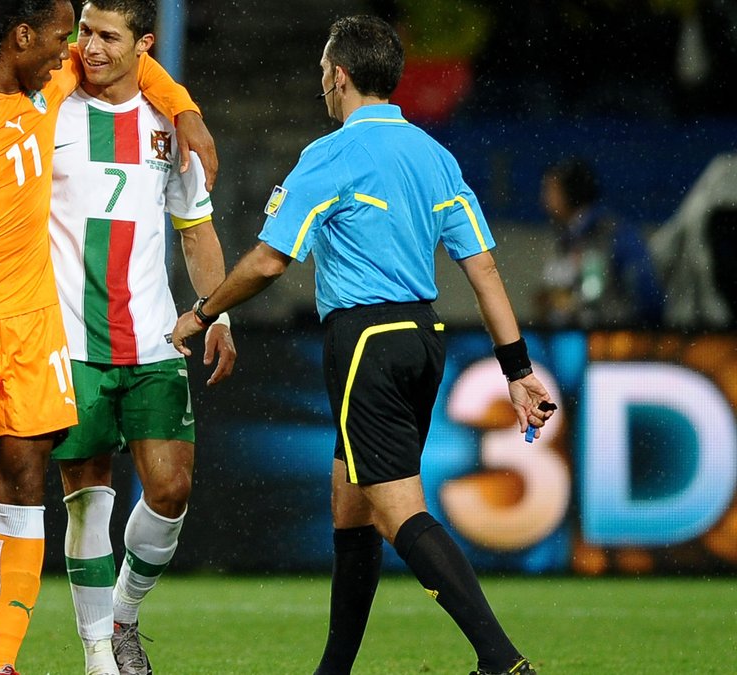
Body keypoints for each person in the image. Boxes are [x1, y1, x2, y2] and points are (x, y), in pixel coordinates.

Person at [170, 15, 555, 675]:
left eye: (324, 71)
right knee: (351, 504)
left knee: (398, 511)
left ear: (339, 76)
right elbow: (484, 269)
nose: (322, 82)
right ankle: (335, 669)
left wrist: (203, 312)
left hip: (366, 340)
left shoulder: (330, 155)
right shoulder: (434, 156)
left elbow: (269, 260)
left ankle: (501, 659)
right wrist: (517, 369)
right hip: (423, 336)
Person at [0, 1, 215, 674]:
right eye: (63, 38)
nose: (72, 53)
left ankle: (0, 663)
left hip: (33, 322)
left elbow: (139, 64)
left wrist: (185, 110)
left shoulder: (47, 81)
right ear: (21, 36)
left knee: (26, 488)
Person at [535, 156, 664, 328]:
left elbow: (648, 294)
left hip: (610, 337)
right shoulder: (568, 236)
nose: (544, 199)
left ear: (570, 192)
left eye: (550, 189)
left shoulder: (612, 234)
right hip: (581, 336)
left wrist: (637, 331)